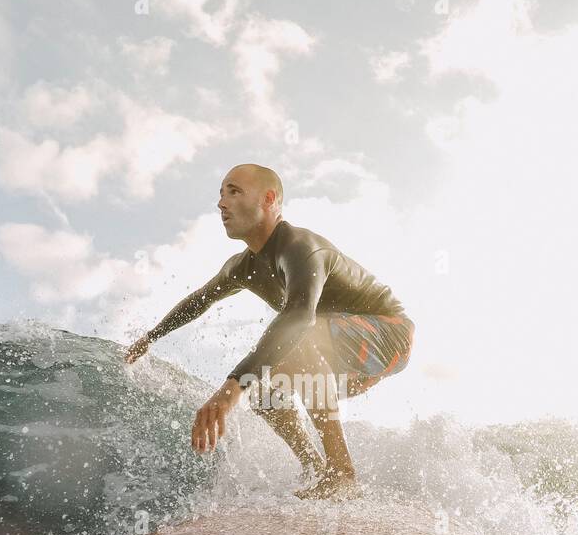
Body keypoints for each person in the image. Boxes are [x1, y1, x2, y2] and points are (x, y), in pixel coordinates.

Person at [125, 164, 414, 500]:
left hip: (389, 335)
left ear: (269, 199)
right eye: (220, 193)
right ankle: (314, 468)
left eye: (233, 191)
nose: (221, 202)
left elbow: (299, 316)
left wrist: (232, 387)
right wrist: (152, 336)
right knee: (264, 387)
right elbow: (199, 301)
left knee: (294, 341)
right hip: (338, 354)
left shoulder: (300, 247)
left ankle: (342, 473)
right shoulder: (243, 266)